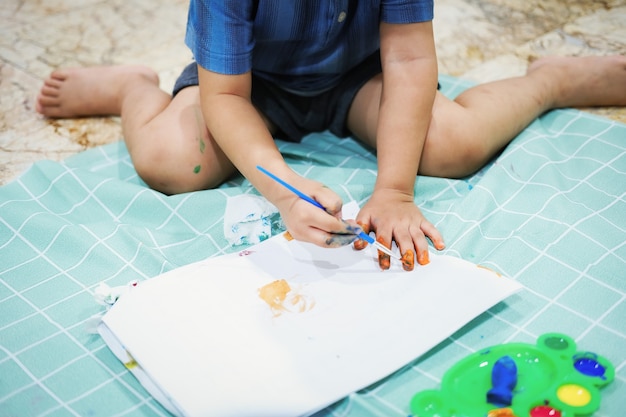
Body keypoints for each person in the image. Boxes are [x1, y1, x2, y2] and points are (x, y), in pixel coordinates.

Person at [36, 1, 626, 271]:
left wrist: (394, 190)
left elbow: (410, 63)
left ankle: (548, 83)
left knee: (453, 144)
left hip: (359, 74)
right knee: (172, 162)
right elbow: (225, 98)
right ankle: (132, 89)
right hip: (247, 85)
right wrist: (285, 189)